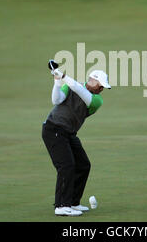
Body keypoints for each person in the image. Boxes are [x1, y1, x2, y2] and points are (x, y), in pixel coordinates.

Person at [42, 67, 111, 216]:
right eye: (100, 85)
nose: (101, 89)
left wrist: (63, 76)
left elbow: (80, 91)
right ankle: (61, 206)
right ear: (91, 80)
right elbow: (56, 100)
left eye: (102, 87)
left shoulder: (97, 100)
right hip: (53, 129)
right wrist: (57, 81)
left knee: (83, 165)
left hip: (69, 133)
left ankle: (73, 202)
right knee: (66, 166)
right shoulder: (72, 85)